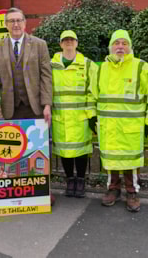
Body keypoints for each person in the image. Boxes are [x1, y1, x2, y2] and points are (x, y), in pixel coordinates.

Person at [0, 7, 53, 201]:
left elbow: (46, 76)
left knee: (38, 149)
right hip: (12, 108)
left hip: (35, 106)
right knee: (16, 150)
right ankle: (17, 191)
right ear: (6, 25)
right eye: (11, 21)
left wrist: (47, 104)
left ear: (25, 22)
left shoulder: (39, 45)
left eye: (19, 20)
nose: (16, 24)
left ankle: (42, 191)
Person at [89, 30, 148, 212]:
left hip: (131, 128)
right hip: (108, 126)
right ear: (111, 47)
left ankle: (132, 192)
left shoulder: (142, 67)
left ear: (130, 47)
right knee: (110, 160)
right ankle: (113, 189)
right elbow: (91, 94)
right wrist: (91, 115)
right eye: (117, 43)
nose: (120, 47)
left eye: (124, 43)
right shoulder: (101, 69)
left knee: (131, 162)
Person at [50, 30, 98, 198]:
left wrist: (92, 114)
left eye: (72, 40)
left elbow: (93, 91)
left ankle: (81, 180)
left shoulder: (88, 64)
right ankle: (70, 180)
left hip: (80, 118)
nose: (69, 43)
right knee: (65, 151)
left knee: (82, 151)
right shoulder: (51, 65)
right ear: (60, 44)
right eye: (65, 40)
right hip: (60, 116)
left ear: (77, 43)